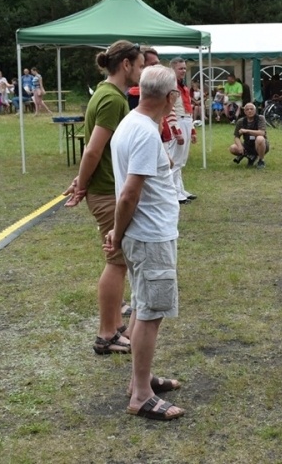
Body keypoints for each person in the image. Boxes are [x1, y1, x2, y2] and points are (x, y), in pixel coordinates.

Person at [104, 65, 184, 421]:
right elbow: (128, 194)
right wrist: (117, 234)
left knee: (141, 306)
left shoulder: (133, 123)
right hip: (150, 236)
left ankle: (141, 376)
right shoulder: (145, 132)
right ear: (168, 97)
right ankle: (140, 394)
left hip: (145, 233)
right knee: (151, 313)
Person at [63, 40, 144, 356]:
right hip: (107, 192)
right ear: (125, 65)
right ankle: (106, 333)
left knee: (118, 262)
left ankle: (113, 327)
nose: (140, 71)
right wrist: (82, 185)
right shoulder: (112, 99)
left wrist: (82, 182)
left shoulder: (107, 94)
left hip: (105, 188)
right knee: (116, 262)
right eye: (138, 65)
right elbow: (93, 148)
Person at [167, 57, 197, 204]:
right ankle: (173, 192)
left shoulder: (183, 86)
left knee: (181, 159)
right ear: (173, 69)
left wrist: (192, 129)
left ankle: (179, 189)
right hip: (178, 120)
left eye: (184, 68)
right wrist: (175, 128)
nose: (183, 71)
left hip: (186, 119)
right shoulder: (171, 86)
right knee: (176, 158)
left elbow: (188, 107)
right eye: (180, 68)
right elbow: (170, 108)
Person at [229, 103, 268, 169]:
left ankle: (261, 160)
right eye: (247, 109)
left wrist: (246, 131)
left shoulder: (260, 118)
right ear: (244, 112)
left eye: (251, 109)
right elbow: (236, 136)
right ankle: (250, 156)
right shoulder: (240, 121)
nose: (249, 111)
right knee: (233, 148)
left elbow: (262, 133)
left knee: (260, 138)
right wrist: (240, 146)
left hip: (261, 144)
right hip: (247, 144)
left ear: (255, 110)